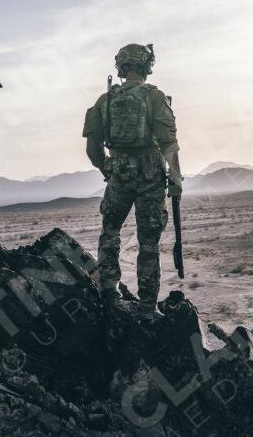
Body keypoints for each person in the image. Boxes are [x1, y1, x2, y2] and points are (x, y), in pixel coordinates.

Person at [82, 43, 182, 317]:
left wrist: (108, 169)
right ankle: (147, 306)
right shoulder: (154, 97)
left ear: (122, 66)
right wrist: (176, 179)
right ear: (146, 66)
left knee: (110, 231)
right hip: (150, 174)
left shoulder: (104, 101)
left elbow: (92, 149)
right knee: (148, 243)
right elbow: (169, 143)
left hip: (119, 173)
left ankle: (109, 292)